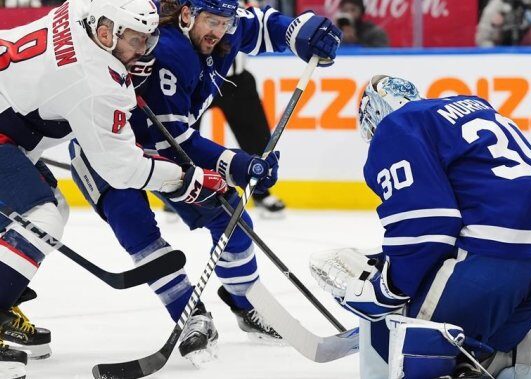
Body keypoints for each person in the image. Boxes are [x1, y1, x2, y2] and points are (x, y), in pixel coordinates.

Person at [68, 0, 341, 366]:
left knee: (231, 216)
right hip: (104, 149)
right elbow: (172, 140)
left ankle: (244, 304)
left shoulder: (224, 30)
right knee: (138, 230)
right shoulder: (169, 50)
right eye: (211, 21)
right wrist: (236, 162)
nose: (219, 31)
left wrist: (303, 32)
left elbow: (260, 24)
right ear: (186, 15)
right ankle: (190, 315)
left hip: (160, 148)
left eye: (224, 22)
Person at [0, 0, 230, 376]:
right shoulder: (95, 83)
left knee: (50, 207)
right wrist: (188, 180)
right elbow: (122, 169)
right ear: (105, 33)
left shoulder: (82, 11)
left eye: (146, 39)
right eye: (135, 41)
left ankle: (3, 299)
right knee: (37, 216)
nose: (142, 51)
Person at [311, 75, 531, 378]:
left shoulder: (397, 126)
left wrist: (387, 289)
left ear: (373, 112)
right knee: (484, 355)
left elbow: (427, 227)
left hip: (495, 257)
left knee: (411, 339)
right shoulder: (471, 107)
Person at [190, 53, 288, 218]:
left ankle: (260, 192)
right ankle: (180, 193)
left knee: (258, 141)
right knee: (183, 137)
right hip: (198, 81)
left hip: (237, 80)